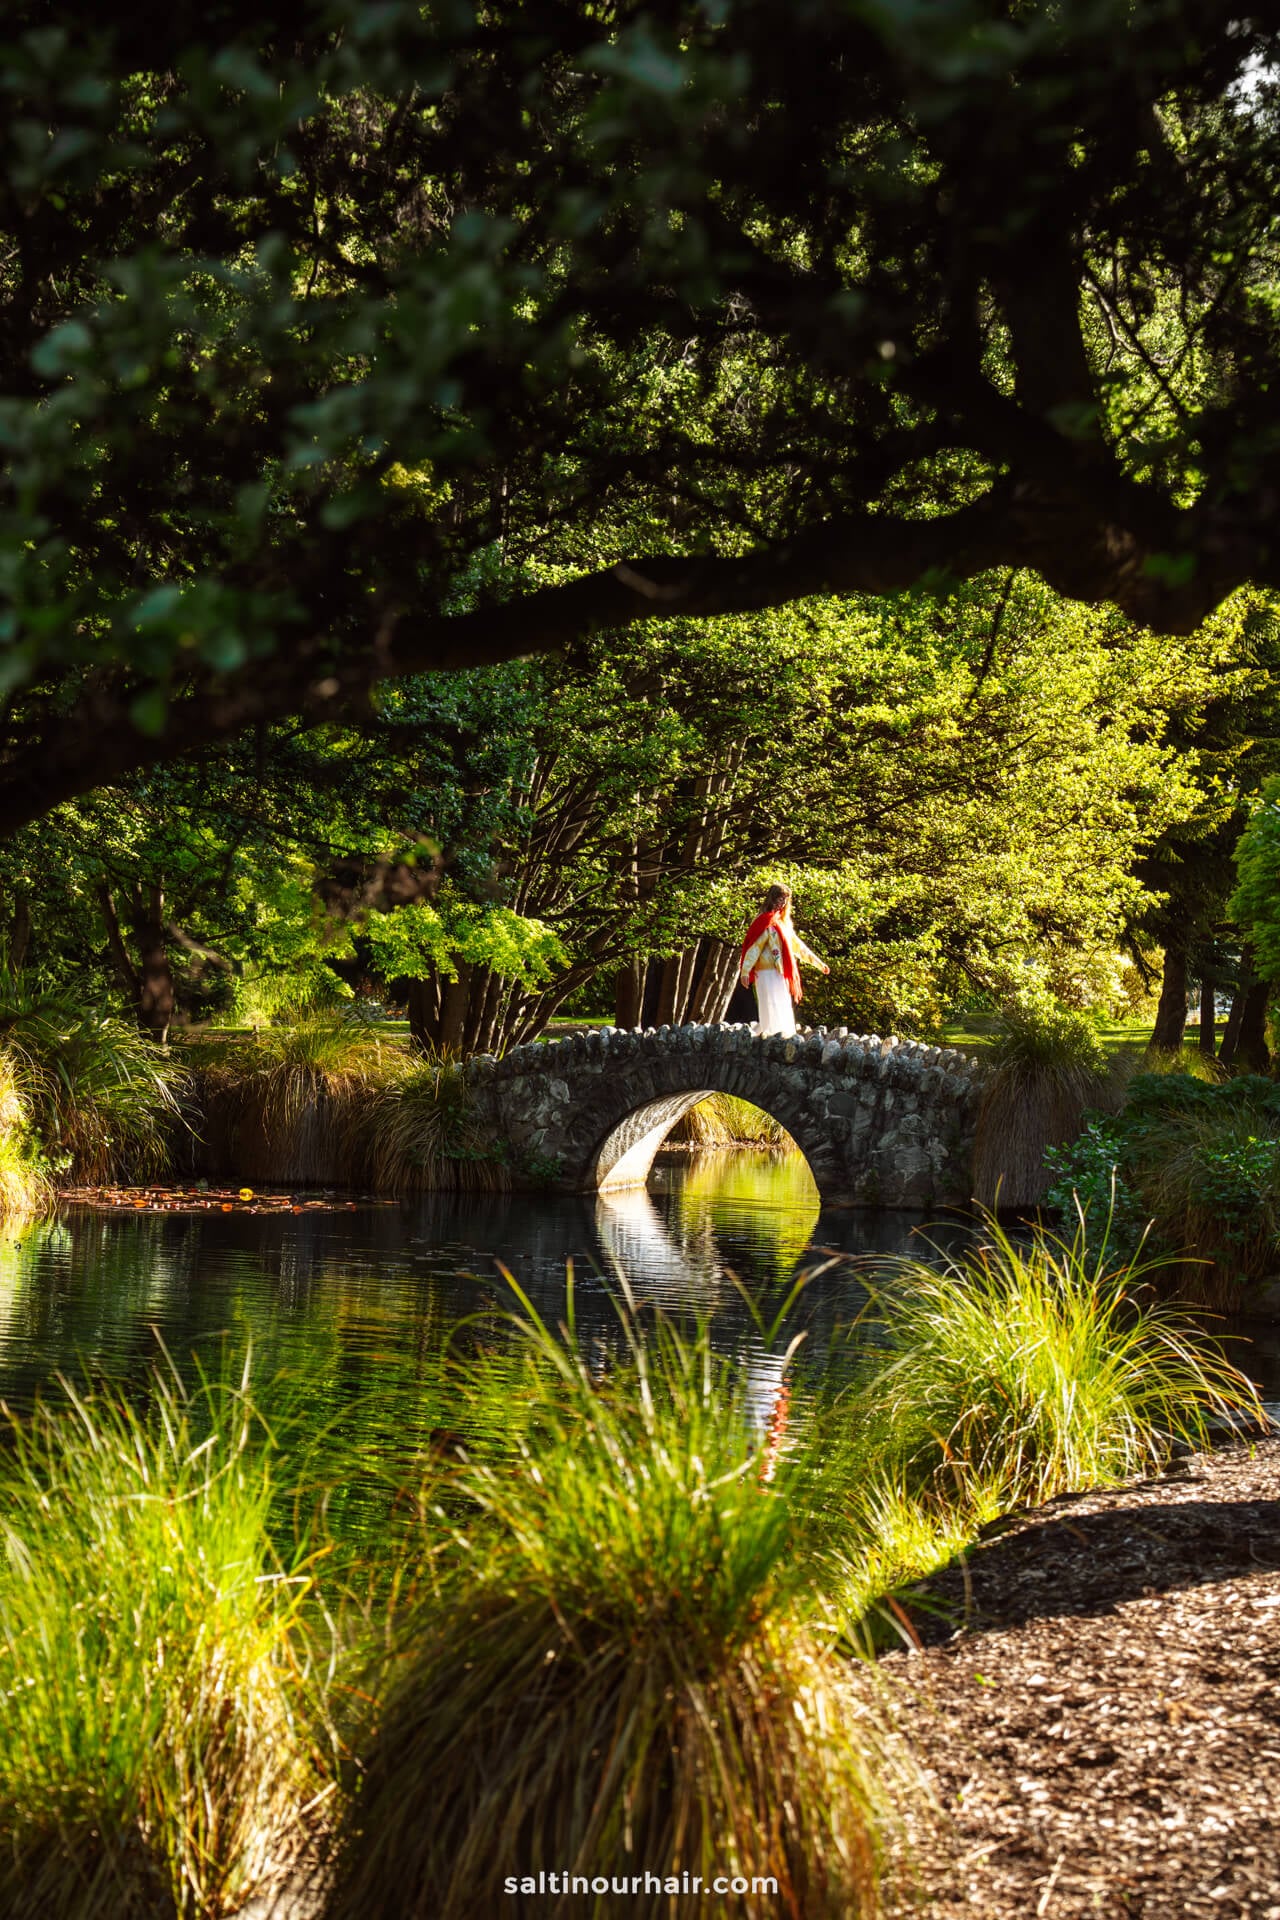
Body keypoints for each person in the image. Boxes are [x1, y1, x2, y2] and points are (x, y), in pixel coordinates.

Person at [738, 885, 829, 1037]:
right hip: (765, 971)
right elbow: (754, 948)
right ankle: (773, 1037)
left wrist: (819, 963)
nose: (783, 903)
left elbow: (798, 947)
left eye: (786, 900)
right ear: (772, 899)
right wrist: (745, 971)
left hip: (779, 971)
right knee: (770, 1005)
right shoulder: (764, 922)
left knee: (782, 1004)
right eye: (781, 899)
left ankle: (783, 1036)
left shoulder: (783, 923)